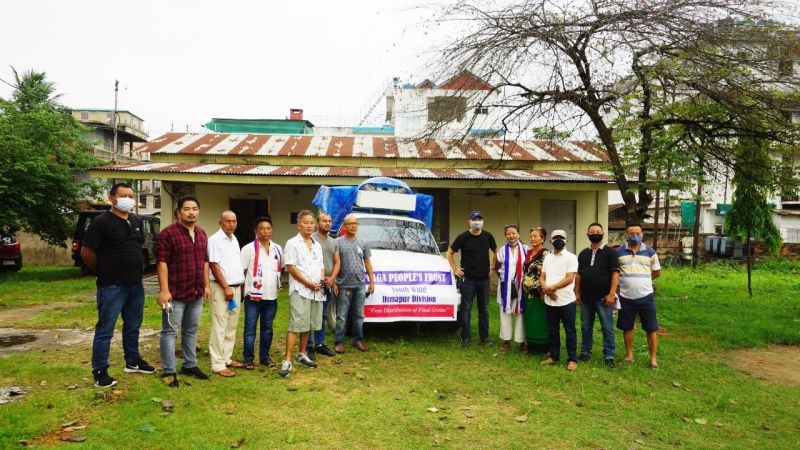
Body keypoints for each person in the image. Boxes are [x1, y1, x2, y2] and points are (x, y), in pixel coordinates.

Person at [82, 183, 155, 388]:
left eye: (131, 196)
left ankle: (132, 361)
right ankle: (100, 372)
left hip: (135, 284)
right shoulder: (101, 222)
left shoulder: (134, 220)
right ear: (112, 198)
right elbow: (87, 253)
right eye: (124, 195)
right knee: (106, 328)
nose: (128, 199)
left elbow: (136, 246)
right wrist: (104, 270)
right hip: (112, 285)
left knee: (133, 325)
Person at [156, 196, 211, 387]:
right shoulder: (168, 234)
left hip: (196, 292)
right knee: (169, 332)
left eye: (194, 209)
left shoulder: (202, 234)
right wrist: (164, 290)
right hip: (175, 293)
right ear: (178, 212)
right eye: (186, 209)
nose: (191, 212)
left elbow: (205, 261)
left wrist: (206, 285)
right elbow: (162, 263)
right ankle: (169, 370)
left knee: (191, 330)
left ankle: (190, 365)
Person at [280, 210, 325, 377]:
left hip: (316, 291)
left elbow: (321, 266)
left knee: (308, 324)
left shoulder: (317, 245)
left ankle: (301, 354)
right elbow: (291, 267)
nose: (309, 226)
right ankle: (287, 360)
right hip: (300, 290)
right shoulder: (292, 243)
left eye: (312, 223)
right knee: (295, 324)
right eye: (306, 223)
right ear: (298, 225)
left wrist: (321, 281)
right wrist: (308, 283)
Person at [447, 211, 498, 347]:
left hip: (484, 280)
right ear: (469, 221)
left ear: (483, 221)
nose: (477, 221)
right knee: (466, 309)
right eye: (474, 219)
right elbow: (450, 253)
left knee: (484, 309)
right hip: (468, 279)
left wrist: (492, 267)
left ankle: (485, 338)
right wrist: (455, 269)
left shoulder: (488, 236)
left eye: (480, 219)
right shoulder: (463, 237)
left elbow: (495, 251)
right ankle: (465, 338)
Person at [616, 222, 661, 369]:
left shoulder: (650, 252)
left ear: (642, 235)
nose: (635, 236)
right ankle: (629, 356)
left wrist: (644, 280)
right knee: (627, 327)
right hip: (625, 296)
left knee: (651, 328)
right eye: (631, 234)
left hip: (646, 296)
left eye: (637, 233)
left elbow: (657, 272)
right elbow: (615, 273)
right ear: (626, 235)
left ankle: (653, 359)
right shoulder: (618, 252)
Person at [240, 216, 283, 370]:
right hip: (253, 296)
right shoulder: (248, 249)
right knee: (250, 329)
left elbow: (280, 268)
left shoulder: (277, 248)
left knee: (267, 328)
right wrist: (242, 292)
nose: (265, 231)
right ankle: (248, 358)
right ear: (256, 231)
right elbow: (242, 271)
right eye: (262, 228)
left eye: (268, 228)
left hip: (271, 296)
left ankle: (264, 356)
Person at [575, 223, 620, 367]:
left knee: (607, 328)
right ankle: (585, 352)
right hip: (586, 299)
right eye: (592, 231)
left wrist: (612, 293)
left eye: (598, 231)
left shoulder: (610, 252)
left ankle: (609, 355)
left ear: (603, 234)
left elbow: (615, 274)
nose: (595, 233)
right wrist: (577, 293)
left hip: (603, 299)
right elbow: (579, 275)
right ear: (587, 234)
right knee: (585, 327)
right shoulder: (583, 254)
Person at [207, 211, 245, 377]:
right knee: (220, 325)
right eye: (228, 221)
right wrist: (226, 287)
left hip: (235, 287)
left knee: (231, 325)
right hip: (222, 287)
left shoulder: (234, 239)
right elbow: (214, 265)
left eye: (234, 221)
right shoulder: (215, 240)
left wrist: (238, 286)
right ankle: (217, 364)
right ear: (220, 223)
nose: (231, 224)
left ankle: (226, 358)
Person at [334, 214, 375, 353]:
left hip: (359, 285)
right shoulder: (337, 242)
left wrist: (372, 281)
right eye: (350, 223)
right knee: (341, 316)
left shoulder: (363, 242)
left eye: (355, 223)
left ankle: (358, 339)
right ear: (344, 226)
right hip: (343, 285)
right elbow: (334, 263)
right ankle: (339, 342)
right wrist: (334, 282)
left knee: (359, 315)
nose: (353, 226)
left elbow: (367, 262)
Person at [540, 229, 579, 371]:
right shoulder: (547, 258)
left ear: (566, 241)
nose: (558, 241)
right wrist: (546, 289)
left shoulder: (571, 257)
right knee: (553, 330)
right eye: (555, 238)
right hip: (550, 301)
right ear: (550, 241)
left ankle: (572, 359)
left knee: (570, 331)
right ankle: (553, 356)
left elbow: (569, 278)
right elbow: (542, 277)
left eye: (561, 238)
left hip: (566, 301)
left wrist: (551, 288)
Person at [305, 212, 340, 360]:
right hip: (314, 284)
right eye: (324, 221)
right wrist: (319, 278)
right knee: (310, 315)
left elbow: (337, 262)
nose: (327, 223)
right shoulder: (310, 239)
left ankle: (319, 344)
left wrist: (332, 280)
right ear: (317, 223)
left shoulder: (333, 242)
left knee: (323, 315)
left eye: (329, 221)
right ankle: (308, 346)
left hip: (328, 285)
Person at [494, 225, 529, 352]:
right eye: (508, 234)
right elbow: (497, 266)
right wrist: (505, 279)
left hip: (521, 287)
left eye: (514, 233)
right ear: (505, 236)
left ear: (518, 234)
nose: (511, 236)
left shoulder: (525, 249)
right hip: (506, 287)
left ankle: (522, 341)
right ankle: (506, 341)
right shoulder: (502, 250)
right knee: (505, 312)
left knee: (521, 313)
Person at [522, 227, 550, 355]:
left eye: (536, 236)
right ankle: (531, 347)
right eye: (531, 236)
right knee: (530, 319)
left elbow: (549, 273)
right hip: (528, 293)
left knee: (540, 320)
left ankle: (543, 348)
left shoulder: (546, 254)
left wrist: (544, 290)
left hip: (540, 293)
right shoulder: (528, 253)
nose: (532, 238)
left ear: (542, 239)